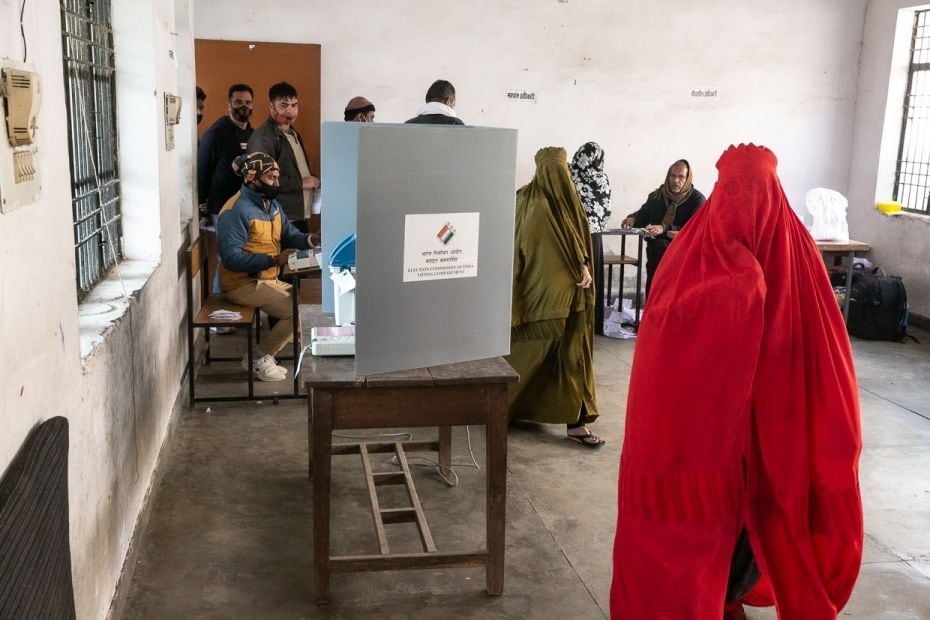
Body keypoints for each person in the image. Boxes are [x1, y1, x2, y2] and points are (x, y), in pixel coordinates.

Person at [611, 144, 863, 618]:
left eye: (756, 193)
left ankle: (727, 597)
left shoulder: (796, 262)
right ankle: (720, 599)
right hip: (704, 452)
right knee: (713, 530)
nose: (744, 210)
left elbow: (826, 359)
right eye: (733, 193)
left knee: (750, 530)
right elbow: (659, 366)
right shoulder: (689, 263)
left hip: (772, 442)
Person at [506, 147, 602, 447]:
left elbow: (578, 240)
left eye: (562, 170)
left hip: (571, 296)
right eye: (552, 169)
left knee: (571, 357)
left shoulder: (565, 201)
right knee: (533, 357)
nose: (558, 176)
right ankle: (499, 407)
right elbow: (528, 248)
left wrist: (583, 264)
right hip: (543, 299)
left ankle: (576, 422)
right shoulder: (530, 202)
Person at [217, 152, 314, 382]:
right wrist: (273, 260)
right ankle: (258, 358)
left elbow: (290, 235)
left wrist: (311, 240)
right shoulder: (234, 211)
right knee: (297, 314)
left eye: (277, 177)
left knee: (307, 310)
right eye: (271, 178)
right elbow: (231, 258)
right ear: (252, 178)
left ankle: (264, 356)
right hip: (242, 284)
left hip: (267, 279)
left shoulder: (271, 204)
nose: (277, 183)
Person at [622, 159, 705, 299]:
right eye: (673, 176)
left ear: (687, 178)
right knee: (655, 278)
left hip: (684, 252)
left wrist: (664, 228)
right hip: (657, 251)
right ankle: (652, 313)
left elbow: (694, 228)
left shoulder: (697, 200)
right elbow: (644, 214)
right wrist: (633, 219)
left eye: (681, 177)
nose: (676, 181)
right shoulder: (657, 195)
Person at [247, 82, 320, 232]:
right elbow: (262, 180)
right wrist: (302, 183)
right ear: (272, 107)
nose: (290, 111)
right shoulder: (264, 138)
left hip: (297, 215)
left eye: (294, 105)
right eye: (283, 105)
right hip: (280, 217)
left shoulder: (291, 132)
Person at [570, 142, 612, 330]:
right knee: (592, 276)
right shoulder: (602, 179)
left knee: (575, 275)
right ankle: (592, 322)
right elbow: (606, 211)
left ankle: (574, 321)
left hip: (575, 233)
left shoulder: (570, 174)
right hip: (594, 237)